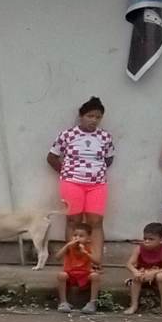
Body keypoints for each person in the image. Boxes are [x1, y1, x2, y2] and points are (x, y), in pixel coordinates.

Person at [47, 97, 116, 264]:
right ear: (81, 116)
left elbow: (109, 159)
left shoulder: (105, 137)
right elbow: (52, 157)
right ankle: (72, 262)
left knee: (96, 222)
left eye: (98, 117)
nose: (94, 120)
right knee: (73, 221)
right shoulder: (68, 135)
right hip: (72, 183)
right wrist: (68, 172)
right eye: (90, 116)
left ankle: (96, 262)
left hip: (97, 185)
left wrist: (94, 172)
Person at [125, 221, 162, 315]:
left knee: (161, 276)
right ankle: (134, 305)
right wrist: (135, 271)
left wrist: (153, 272)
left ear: (161, 240)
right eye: (145, 238)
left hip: (157, 277)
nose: (146, 241)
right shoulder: (139, 248)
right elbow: (129, 264)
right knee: (137, 277)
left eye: (151, 239)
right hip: (143, 275)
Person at [56, 225, 99, 312]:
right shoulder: (69, 247)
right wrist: (67, 245)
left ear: (88, 238)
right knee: (61, 275)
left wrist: (85, 252)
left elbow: (97, 261)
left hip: (85, 274)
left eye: (81, 236)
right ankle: (63, 302)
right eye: (75, 235)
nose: (77, 238)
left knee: (95, 276)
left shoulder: (89, 247)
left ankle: (92, 303)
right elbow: (57, 257)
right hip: (70, 274)